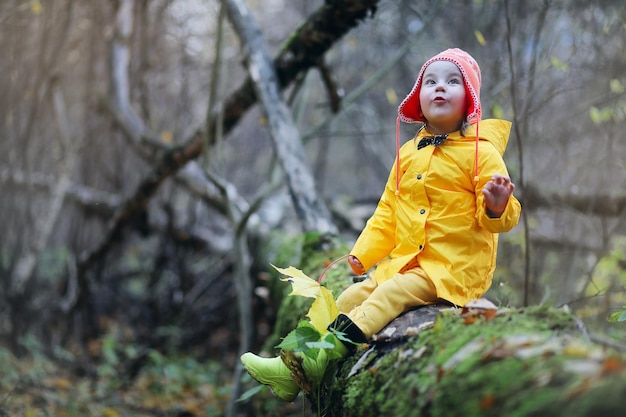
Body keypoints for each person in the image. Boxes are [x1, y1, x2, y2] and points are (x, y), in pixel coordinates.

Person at [241, 48, 521, 402]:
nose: (440, 88)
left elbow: (503, 217)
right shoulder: (409, 153)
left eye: (453, 82)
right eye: (430, 81)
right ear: (418, 97)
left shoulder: (482, 153)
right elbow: (388, 210)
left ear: (469, 99)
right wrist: (363, 253)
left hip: (451, 269)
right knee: (350, 294)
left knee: (389, 295)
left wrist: (496, 207)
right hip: (406, 261)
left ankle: (320, 359)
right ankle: (288, 367)